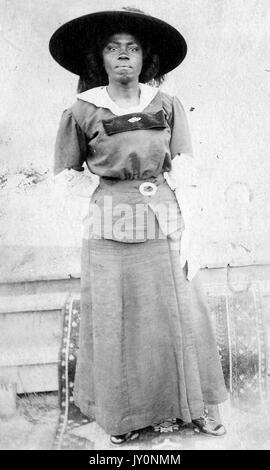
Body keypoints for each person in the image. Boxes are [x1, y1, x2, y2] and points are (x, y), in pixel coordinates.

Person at [49, 7, 228, 445]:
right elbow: (68, 179)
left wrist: (194, 235)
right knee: (119, 318)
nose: (123, 56)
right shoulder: (82, 111)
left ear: (145, 58)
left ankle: (195, 408)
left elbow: (184, 168)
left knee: (181, 311)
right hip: (109, 221)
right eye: (113, 48)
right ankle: (126, 418)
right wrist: (93, 215)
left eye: (132, 48)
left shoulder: (166, 105)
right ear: (100, 59)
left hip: (164, 212)